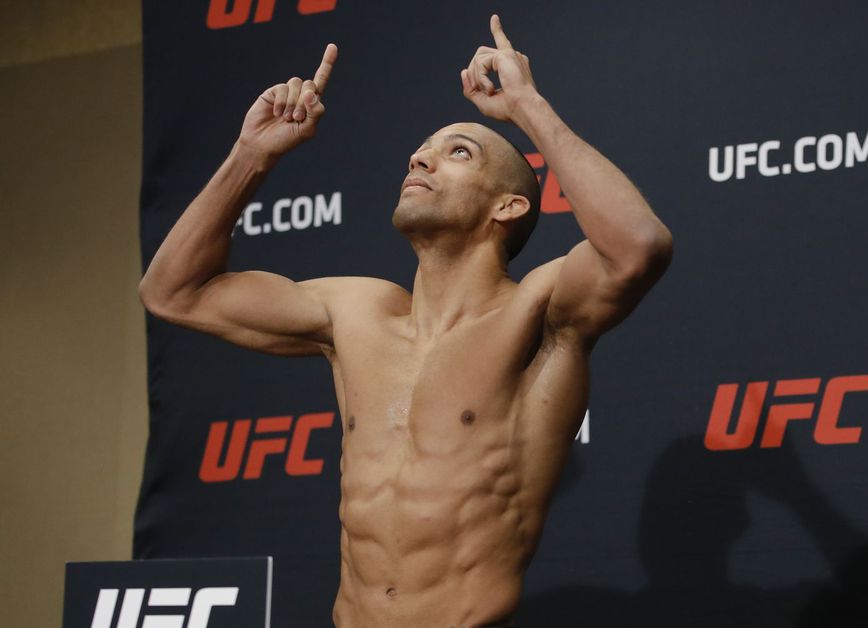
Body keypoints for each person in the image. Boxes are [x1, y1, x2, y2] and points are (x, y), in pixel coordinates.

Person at [138, 14, 673, 628]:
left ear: (508, 205)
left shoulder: (539, 314)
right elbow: (173, 292)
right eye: (422, 151)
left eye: (458, 152)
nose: (421, 159)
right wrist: (250, 156)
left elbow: (638, 246)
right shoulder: (356, 312)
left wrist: (527, 107)